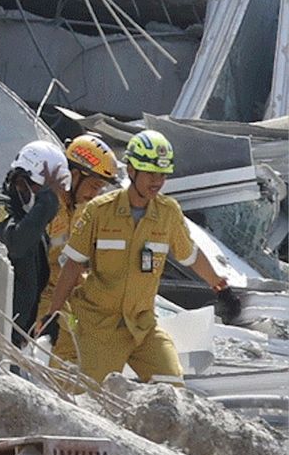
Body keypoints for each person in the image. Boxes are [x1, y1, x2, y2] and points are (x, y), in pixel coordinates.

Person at [36, 130, 237, 390]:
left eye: (162, 175)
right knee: (87, 392)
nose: (157, 181)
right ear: (131, 170)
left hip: (142, 326)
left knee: (171, 386)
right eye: (151, 173)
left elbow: (190, 255)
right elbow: (72, 264)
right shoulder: (99, 211)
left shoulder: (168, 214)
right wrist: (52, 314)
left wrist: (221, 287)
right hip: (99, 327)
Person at [0, 141, 68, 344]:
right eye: (44, 190)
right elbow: (16, 244)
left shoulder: (26, 216)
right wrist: (46, 203)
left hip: (11, 334)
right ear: (22, 181)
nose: (51, 198)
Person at [37, 134, 121, 330]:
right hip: (40, 296)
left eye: (100, 189)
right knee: (67, 342)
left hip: (64, 292)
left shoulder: (79, 209)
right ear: (74, 175)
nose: (94, 195)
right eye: (94, 186)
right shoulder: (46, 208)